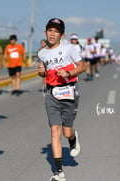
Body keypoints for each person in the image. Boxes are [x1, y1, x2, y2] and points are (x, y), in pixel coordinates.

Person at [37, 18, 85, 181]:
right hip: (51, 94)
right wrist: (42, 72)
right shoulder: (41, 53)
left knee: (66, 132)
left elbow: (82, 66)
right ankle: (59, 172)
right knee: (54, 130)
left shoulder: (69, 48)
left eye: (56, 31)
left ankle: (73, 138)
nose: (52, 33)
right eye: (50, 30)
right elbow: (43, 72)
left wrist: (69, 73)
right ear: (45, 33)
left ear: (61, 35)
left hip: (69, 91)